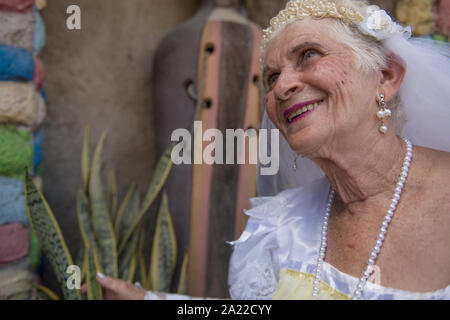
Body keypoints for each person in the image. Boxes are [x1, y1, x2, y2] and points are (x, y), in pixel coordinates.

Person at [88, 0, 450, 300]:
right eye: (272, 77)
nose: (282, 88)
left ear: (386, 75)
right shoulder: (280, 226)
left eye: (309, 55)